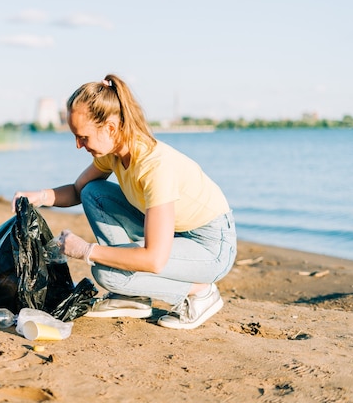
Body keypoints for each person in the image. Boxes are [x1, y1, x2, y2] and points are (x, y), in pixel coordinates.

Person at [12, 74, 237, 330]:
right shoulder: (114, 153)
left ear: (110, 128)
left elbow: (154, 260)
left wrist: (86, 251)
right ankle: (131, 296)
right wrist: (39, 197)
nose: (78, 145)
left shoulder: (154, 167)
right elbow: (77, 190)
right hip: (177, 233)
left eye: (83, 137)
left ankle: (201, 292)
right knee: (93, 192)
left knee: (106, 273)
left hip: (210, 247)